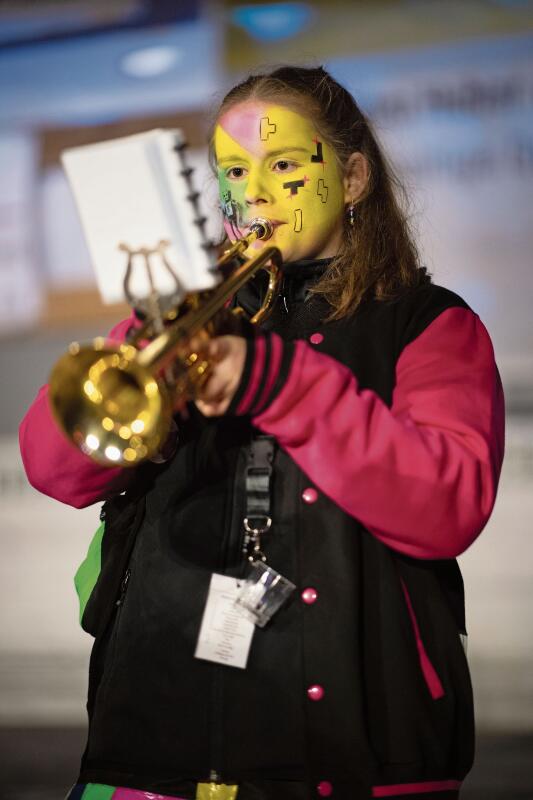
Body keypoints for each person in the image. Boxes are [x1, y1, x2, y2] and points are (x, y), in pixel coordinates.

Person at [19, 66, 505, 800]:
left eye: (282, 164)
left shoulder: (430, 323)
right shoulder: (178, 316)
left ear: (352, 178)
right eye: (232, 171)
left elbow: (448, 504)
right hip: (155, 746)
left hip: (354, 751)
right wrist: (146, 373)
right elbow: (54, 469)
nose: (254, 194)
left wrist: (280, 385)